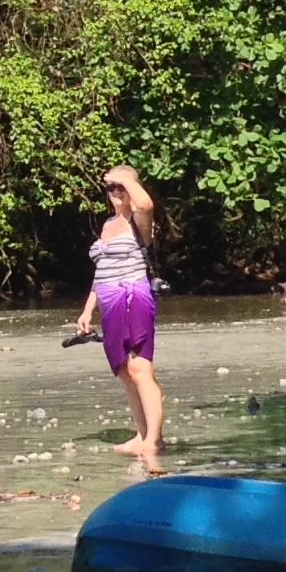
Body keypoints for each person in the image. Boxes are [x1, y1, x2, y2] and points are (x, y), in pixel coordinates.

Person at [72, 164, 165, 456]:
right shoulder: (108, 225)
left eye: (121, 188)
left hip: (133, 296)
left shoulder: (139, 221)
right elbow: (101, 272)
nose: (115, 193)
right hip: (109, 301)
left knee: (140, 367)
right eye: (111, 188)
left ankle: (154, 439)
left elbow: (146, 204)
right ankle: (141, 434)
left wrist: (125, 177)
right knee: (124, 370)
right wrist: (88, 311)